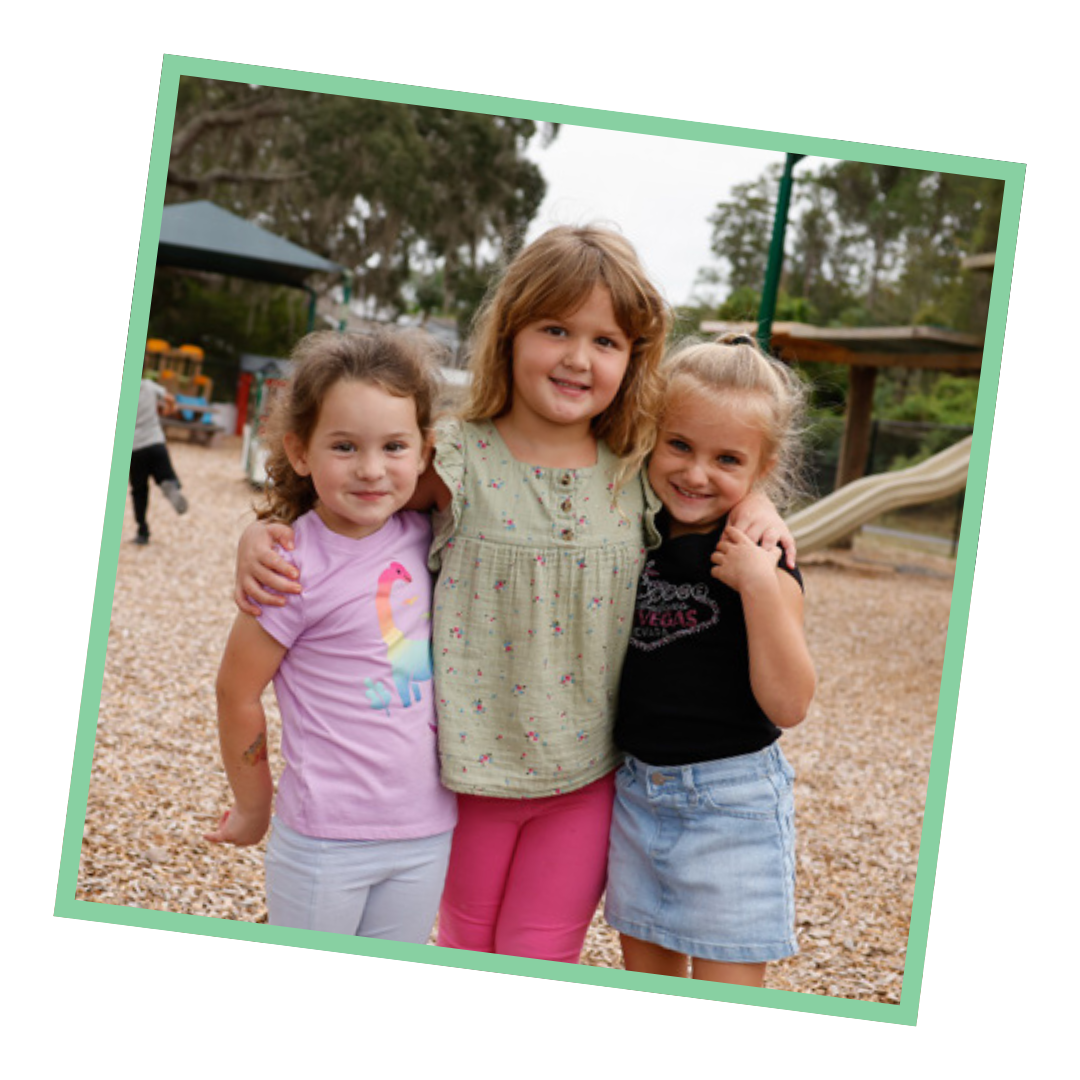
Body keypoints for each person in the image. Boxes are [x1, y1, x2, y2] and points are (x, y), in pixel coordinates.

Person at [234, 226, 795, 964]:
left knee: (542, 951)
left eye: (606, 341)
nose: (577, 357)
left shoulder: (635, 469)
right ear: (511, 332)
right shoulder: (453, 457)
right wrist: (267, 532)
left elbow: (714, 484)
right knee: (465, 940)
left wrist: (764, 505)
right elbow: (356, 502)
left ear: (633, 359)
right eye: (556, 329)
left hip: (587, 778)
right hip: (465, 776)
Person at [207, 328, 458, 944]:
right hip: (325, 838)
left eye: (393, 446)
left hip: (427, 831)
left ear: (425, 450)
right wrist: (254, 804)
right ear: (300, 451)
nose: (372, 470)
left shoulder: (431, 529)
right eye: (344, 447)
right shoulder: (290, 568)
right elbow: (236, 692)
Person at [604, 333, 816, 987]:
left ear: (764, 465)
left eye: (727, 459)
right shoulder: (633, 524)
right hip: (636, 795)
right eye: (680, 446)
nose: (697, 474)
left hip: (731, 803)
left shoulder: (764, 559)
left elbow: (790, 703)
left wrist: (757, 583)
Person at [129, 378, 189, 544]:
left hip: (135, 447)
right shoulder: (148, 385)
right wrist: (169, 410)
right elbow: (170, 399)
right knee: (165, 476)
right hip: (156, 442)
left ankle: (143, 531)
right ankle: (170, 484)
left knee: (139, 490)